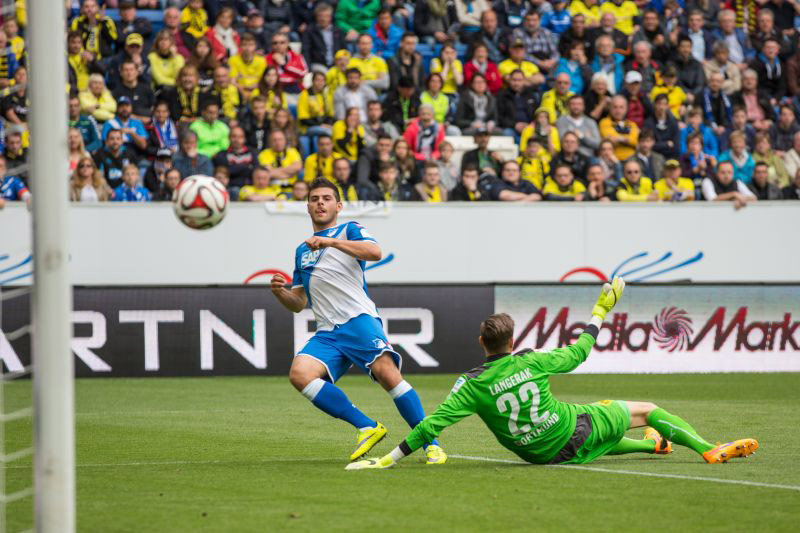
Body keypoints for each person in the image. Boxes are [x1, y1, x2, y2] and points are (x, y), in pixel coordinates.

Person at [346, 279, 759, 470]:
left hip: (535, 454)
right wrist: (601, 310)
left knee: (595, 421)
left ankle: (655, 449)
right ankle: (707, 448)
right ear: (514, 339)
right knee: (645, 409)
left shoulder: (471, 385)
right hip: (565, 431)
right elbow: (580, 351)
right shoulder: (533, 360)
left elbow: (431, 425)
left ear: (481, 343)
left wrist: (387, 460)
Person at [269, 177, 447, 463]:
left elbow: (375, 252)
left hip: (358, 320)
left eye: (326, 198)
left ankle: (432, 444)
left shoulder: (349, 229)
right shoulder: (302, 251)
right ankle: (367, 426)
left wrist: (330, 241)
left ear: (338, 205)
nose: (320, 203)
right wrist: (280, 293)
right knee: (300, 375)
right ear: (307, 206)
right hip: (328, 332)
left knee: (389, 375)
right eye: (314, 199)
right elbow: (299, 302)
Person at [496, 69, 539, 140]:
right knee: (507, 133)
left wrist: (531, 125)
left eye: (519, 80)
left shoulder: (530, 95)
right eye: (514, 80)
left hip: (529, 126)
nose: (516, 83)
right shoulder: (502, 95)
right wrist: (515, 125)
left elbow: (537, 113)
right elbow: (499, 117)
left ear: (524, 81)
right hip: (511, 128)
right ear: (509, 80)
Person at [556, 95, 601, 159]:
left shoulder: (591, 122)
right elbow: (562, 141)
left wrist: (581, 136)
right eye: (573, 104)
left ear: (584, 106)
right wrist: (587, 138)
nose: (576, 107)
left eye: (579, 104)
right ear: (568, 106)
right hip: (567, 158)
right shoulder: (561, 121)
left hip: (588, 159)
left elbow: (597, 144)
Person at [112, 60, 155, 125]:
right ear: (121, 73)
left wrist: (151, 119)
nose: (129, 73)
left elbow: (154, 107)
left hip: (149, 124)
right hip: (125, 124)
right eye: (126, 70)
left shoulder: (146, 88)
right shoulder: (116, 91)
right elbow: (118, 112)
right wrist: (140, 119)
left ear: (137, 72)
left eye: (131, 69)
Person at [266, 31, 308, 97]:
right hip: (276, 90)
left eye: (282, 42)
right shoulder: (267, 58)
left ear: (287, 43)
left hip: (296, 89)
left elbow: (303, 73)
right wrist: (293, 78)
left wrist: (284, 65)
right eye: (275, 43)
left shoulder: (297, 56)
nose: (278, 45)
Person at [599, 95, 639, 162]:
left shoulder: (632, 124)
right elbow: (610, 138)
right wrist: (627, 140)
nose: (618, 110)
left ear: (626, 109)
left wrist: (619, 139)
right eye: (615, 107)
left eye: (621, 107)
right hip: (613, 160)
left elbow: (635, 141)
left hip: (632, 161)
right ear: (610, 108)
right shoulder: (604, 122)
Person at [229, 33, 267, 100]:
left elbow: (263, 80)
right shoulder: (233, 60)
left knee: (257, 93)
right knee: (231, 89)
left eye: (250, 45)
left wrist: (254, 87)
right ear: (240, 46)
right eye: (244, 45)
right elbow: (232, 81)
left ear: (255, 46)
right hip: (239, 89)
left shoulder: (261, 61)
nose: (247, 48)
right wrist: (242, 88)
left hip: (256, 89)